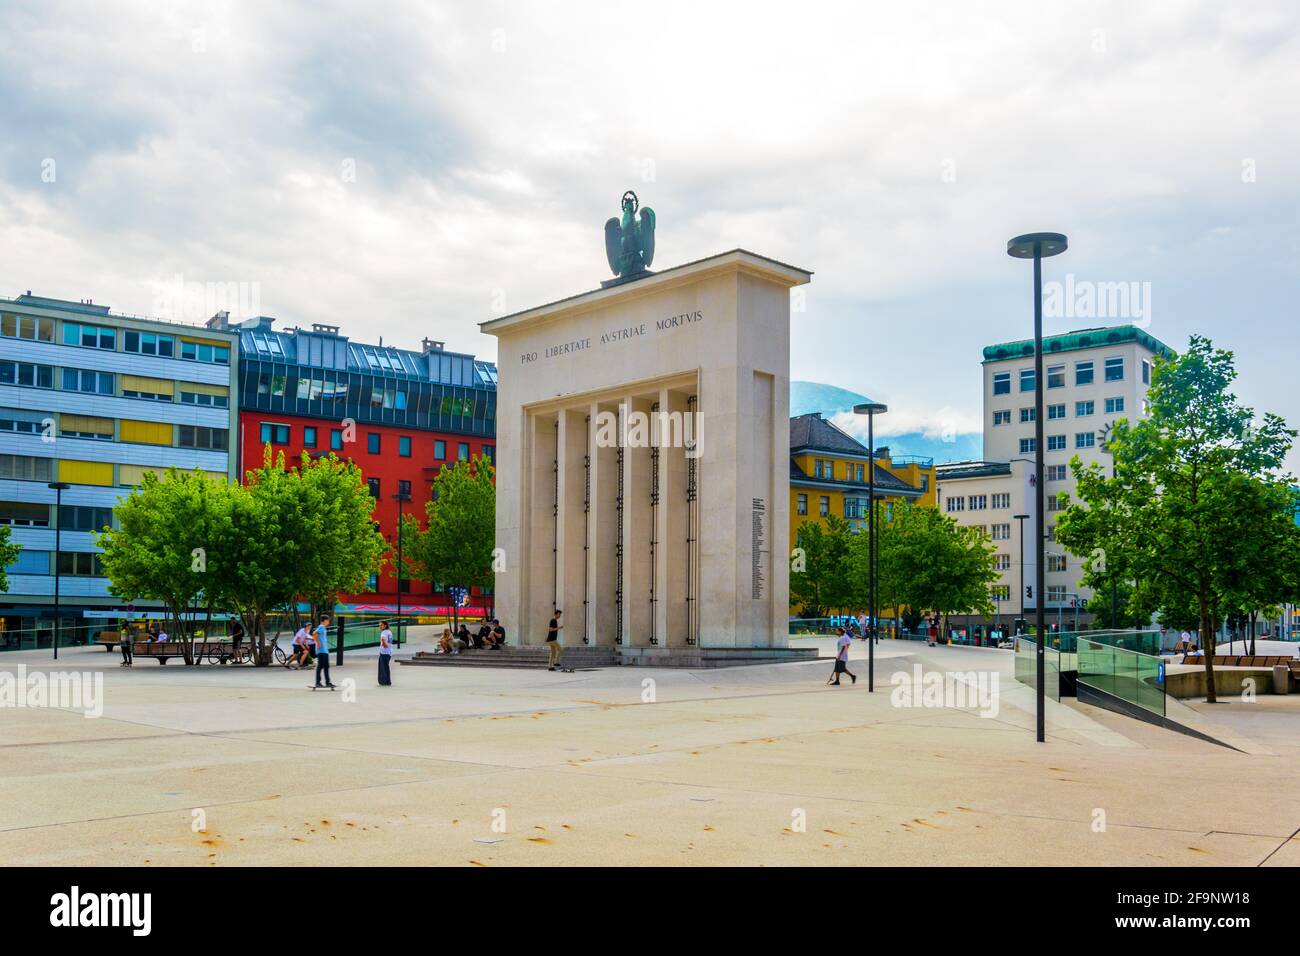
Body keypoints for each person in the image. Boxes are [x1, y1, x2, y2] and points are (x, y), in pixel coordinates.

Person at [312, 616, 335, 690]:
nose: (328, 622)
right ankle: (318, 682)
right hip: (321, 651)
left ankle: (328, 682)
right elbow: (314, 633)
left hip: (325, 651)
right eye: (328, 620)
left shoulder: (323, 628)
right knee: (320, 666)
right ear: (324, 620)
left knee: (326, 667)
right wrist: (318, 643)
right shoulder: (321, 626)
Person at [378, 620, 394, 686]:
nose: (380, 626)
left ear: (385, 625)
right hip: (389, 652)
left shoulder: (384, 632)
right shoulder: (389, 632)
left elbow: (383, 639)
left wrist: (384, 644)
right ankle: (388, 681)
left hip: (384, 653)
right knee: (386, 667)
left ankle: (384, 681)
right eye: (379, 625)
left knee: (383, 668)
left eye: (381, 625)